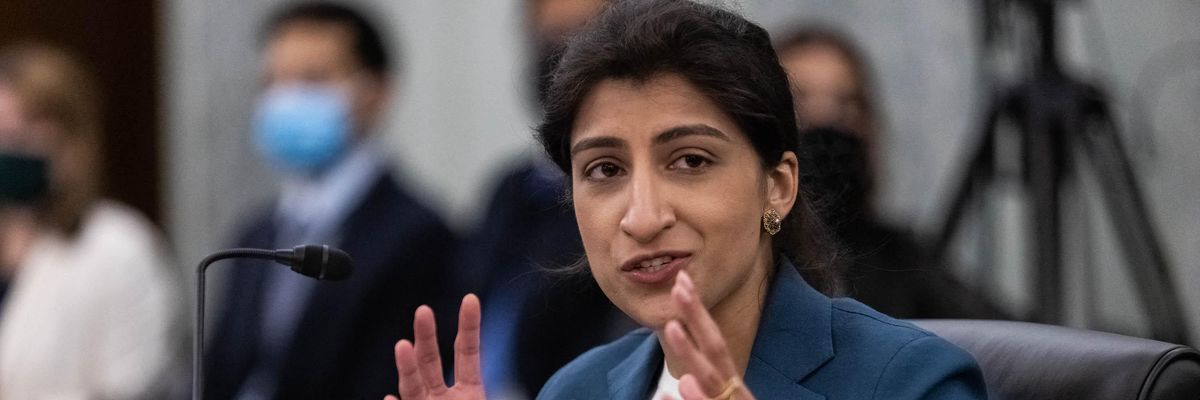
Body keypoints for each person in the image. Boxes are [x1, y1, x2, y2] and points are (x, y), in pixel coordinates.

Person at [385, 1, 986, 399]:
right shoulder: (576, 389)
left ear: (776, 185)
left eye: (690, 161)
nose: (643, 216)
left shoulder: (912, 382)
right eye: (604, 169)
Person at [204, 3, 458, 399]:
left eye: (312, 79)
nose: (286, 99)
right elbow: (217, 372)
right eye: (273, 81)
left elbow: (392, 383)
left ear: (376, 91)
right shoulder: (255, 230)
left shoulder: (420, 237)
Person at [462, 0, 634, 397]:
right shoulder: (509, 190)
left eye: (583, 33)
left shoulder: (639, 202)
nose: (563, 54)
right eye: (549, 38)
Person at [776, 26, 1009, 319]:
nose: (825, 120)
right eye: (800, 103)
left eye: (846, 105)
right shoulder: (749, 259)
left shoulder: (896, 259)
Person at [0, 43, 181, 399]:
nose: (9, 148)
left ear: (71, 137)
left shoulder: (119, 247)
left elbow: (134, 388)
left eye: (22, 133)